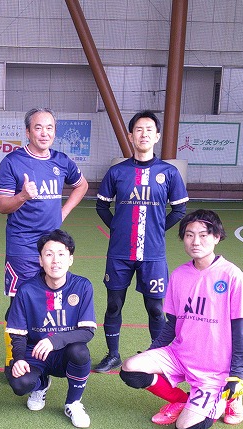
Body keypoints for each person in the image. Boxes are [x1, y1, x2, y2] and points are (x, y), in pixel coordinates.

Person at [119, 210, 243, 429]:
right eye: (189, 235)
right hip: (180, 355)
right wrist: (152, 351)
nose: (195, 241)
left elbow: (240, 330)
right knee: (131, 369)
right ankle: (183, 400)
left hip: (213, 369)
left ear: (217, 237)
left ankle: (229, 397)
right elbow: (172, 324)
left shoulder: (232, 275)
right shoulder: (179, 275)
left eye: (203, 235)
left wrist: (236, 375)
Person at [92, 110, 188, 373]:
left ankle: (157, 356)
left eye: (149, 130)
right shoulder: (117, 172)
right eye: (138, 129)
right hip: (119, 253)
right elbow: (101, 206)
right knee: (114, 304)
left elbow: (179, 210)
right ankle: (113, 355)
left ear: (157, 136)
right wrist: (119, 229)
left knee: (156, 308)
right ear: (130, 136)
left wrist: (156, 230)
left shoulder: (168, 172)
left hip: (153, 254)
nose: (143, 134)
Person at [0, 107, 88, 368]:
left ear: (55, 132)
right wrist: (23, 196)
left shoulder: (61, 161)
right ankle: (14, 359)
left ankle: (45, 356)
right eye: (38, 127)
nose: (44, 133)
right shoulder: (12, 162)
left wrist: (63, 212)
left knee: (51, 299)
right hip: (23, 245)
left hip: (52, 244)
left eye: (49, 128)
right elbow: (3, 205)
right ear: (28, 132)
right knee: (20, 303)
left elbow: (81, 185)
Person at [5, 229, 97, 429]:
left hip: (65, 353)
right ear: (40, 260)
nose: (55, 260)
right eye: (49, 254)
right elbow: (17, 333)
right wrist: (19, 358)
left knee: (80, 351)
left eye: (61, 254)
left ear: (70, 259)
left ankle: (73, 402)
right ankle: (41, 384)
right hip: (35, 353)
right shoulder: (26, 290)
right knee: (19, 383)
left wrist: (54, 340)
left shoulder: (82, 286)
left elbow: (87, 331)